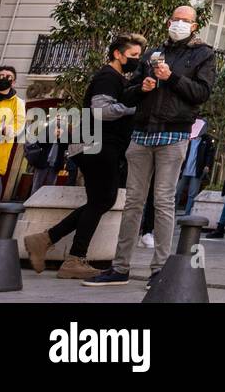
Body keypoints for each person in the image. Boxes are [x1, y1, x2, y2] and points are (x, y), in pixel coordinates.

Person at [86, 6, 216, 287]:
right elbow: (128, 93)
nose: (179, 24)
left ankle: (160, 269)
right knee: (133, 201)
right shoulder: (152, 53)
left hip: (174, 133)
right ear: (168, 21)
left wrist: (173, 78)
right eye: (175, 19)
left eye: (185, 21)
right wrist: (141, 87)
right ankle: (120, 267)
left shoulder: (203, 54)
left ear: (194, 26)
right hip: (142, 132)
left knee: (163, 201)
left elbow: (202, 93)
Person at [26, 34, 143, 279]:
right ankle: (69, 255)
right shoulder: (107, 77)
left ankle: (46, 240)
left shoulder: (117, 79)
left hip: (96, 143)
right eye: (133, 55)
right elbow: (101, 110)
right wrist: (136, 106)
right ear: (117, 54)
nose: (136, 60)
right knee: (103, 200)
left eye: (139, 56)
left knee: (100, 200)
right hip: (98, 143)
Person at [175, 117, 214, 216]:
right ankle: (172, 212)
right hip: (183, 170)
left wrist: (207, 166)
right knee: (176, 192)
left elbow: (210, 154)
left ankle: (187, 215)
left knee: (192, 194)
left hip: (197, 171)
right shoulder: (187, 137)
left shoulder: (207, 140)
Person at [0, 64, 25, 197]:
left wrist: (7, 130)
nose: (4, 79)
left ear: (13, 82)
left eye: (9, 77)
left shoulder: (18, 103)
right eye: (1, 76)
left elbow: (18, 125)